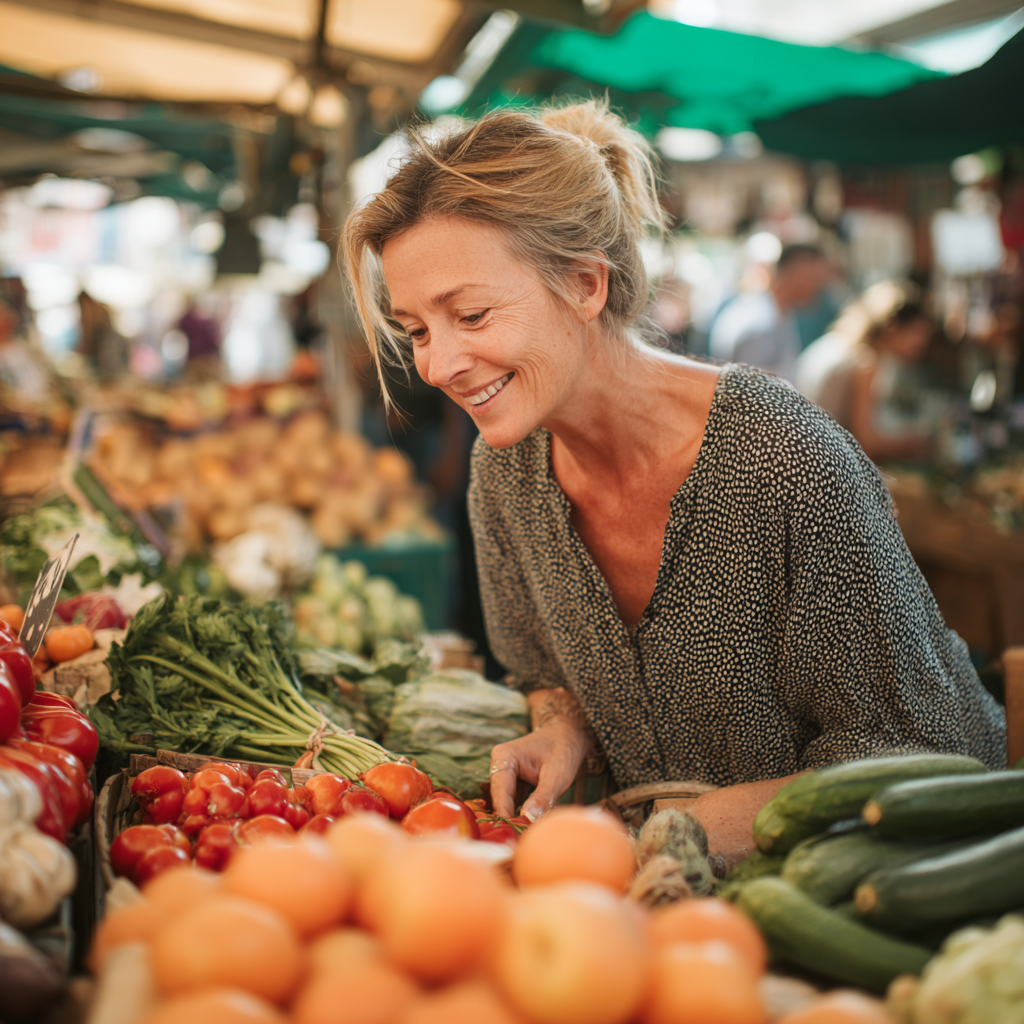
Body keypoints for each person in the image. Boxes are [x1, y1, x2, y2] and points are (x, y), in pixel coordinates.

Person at [342, 100, 1005, 866]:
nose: (436, 365)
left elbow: (931, 756)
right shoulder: (506, 473)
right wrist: (562, 724)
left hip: (866, 907)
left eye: (473, 315)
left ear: (587, 285)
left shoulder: (785, 459)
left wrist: (702, 827)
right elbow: (542, 671)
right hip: (654, 911)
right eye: (418, 329)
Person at [796, 281, 933, 463]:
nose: (922, 344)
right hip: (817, 462)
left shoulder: (842, 343)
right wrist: (910, 444)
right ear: (892, 327)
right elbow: (864, 441)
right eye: (917, 334)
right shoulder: (865, 361)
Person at [709, 243, 832, 381]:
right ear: (798, 272)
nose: (822, 289)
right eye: (816, 279)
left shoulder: (780, 313)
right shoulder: (759, 324)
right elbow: (750, 392)